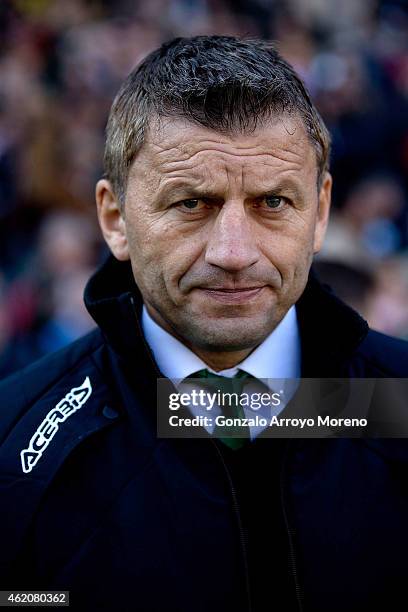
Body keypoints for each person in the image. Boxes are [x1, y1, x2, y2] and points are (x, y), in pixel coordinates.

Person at [0, 36, 407, 612]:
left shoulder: (396, 401)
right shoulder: (15, 452)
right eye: (192, 203)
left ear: (319, 213)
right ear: (115, 219)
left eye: (273, 202)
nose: (234, 252)